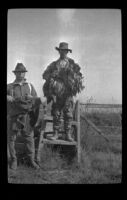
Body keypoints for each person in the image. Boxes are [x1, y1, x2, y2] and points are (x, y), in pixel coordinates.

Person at [42, 42, 84, 141]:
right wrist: (52, 75)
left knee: (68, 114)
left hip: (68, 93)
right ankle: (56, 133)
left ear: (67, 52)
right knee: (56, 113)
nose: (63, 52)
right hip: (57, 93)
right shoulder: (54, 64)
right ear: (59, 51)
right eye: (61, 50)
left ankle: (68, 134)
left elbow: (79, 76)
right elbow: (44, 75)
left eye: (65, 51)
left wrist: (73, 76)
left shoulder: (72, 64)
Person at [7, 63, 42, 170]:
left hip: (27, 116)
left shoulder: (30, 86)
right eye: (18, 72)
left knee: (29, 138)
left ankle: (31, 161)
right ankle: (14, 160)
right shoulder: (9, 86)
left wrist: (32, 98)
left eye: (23, 72)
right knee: (11, 139)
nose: (21, 74)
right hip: (14, 117)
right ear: (15, 73)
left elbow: (36, 100)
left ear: (24, 73)